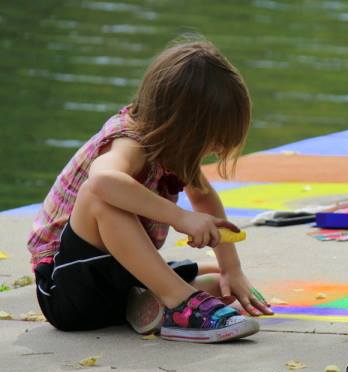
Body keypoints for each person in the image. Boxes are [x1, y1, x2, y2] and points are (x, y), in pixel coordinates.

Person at [27, 39, 273, 343]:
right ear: (183, 125)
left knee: (218, 279)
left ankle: (147, 303)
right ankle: (180, 304)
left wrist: (232, 269)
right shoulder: (128, 142)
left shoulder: (173, 150)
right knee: (101, 197)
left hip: (115, 281)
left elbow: (204, 197)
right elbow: (101, 182)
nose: (216, 149)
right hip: (66, 289)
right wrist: (181, 218)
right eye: (212, 140)